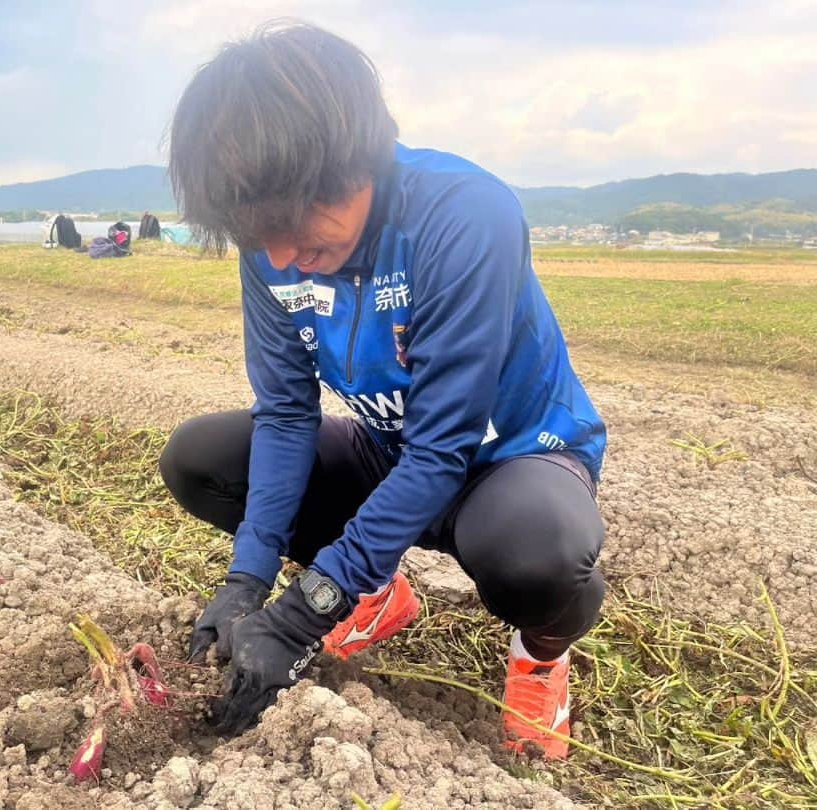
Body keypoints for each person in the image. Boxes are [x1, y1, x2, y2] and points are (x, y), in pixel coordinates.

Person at [160, 21, 606, 759]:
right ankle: (378, 588)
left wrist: (307, 609)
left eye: (292, 221)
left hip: (510, 457)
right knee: (202, 459)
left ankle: (542, 652)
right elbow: (286, 414)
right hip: (391, 453)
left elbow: (444, 448)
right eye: (254, 233)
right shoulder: (277, 252)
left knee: (539, 556)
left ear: (354, 157)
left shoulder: (462, 215)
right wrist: (249, 578)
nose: (281, 255)